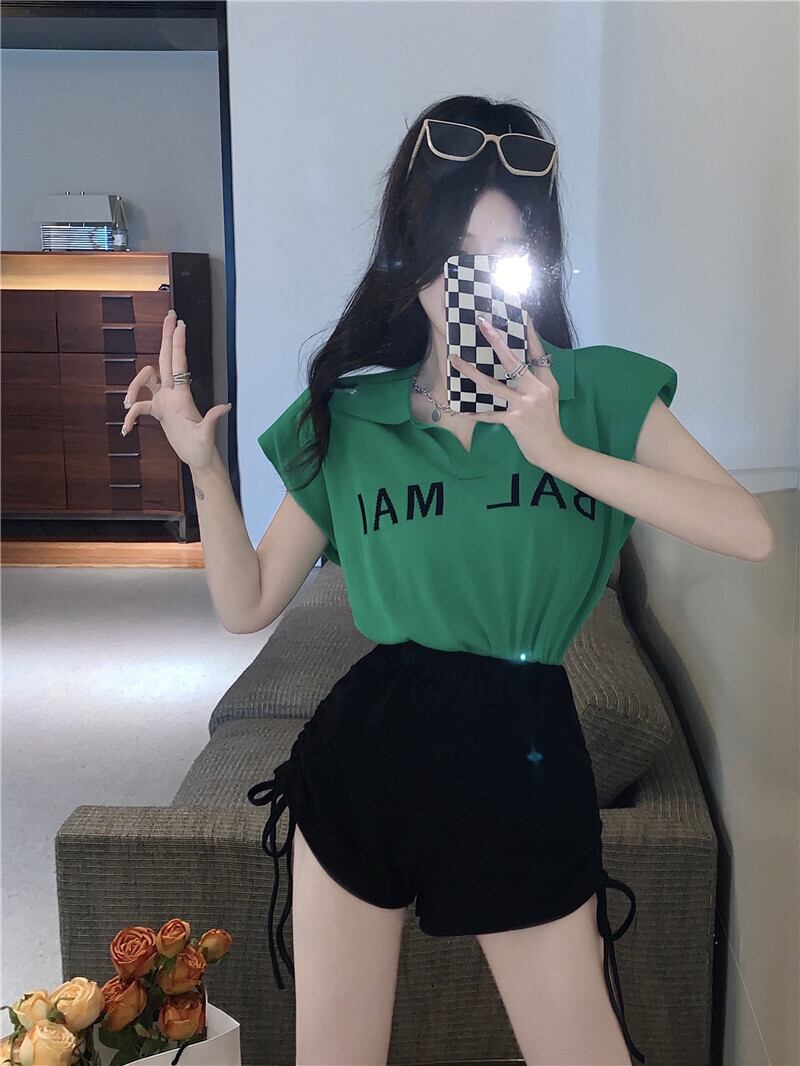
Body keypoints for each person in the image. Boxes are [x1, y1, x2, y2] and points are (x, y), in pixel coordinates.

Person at [121, 95, 774, 1066]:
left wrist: (559, 451)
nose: (472, 279)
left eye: (502, 255)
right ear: (412, 259)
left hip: (523, 760)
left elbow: (747, 530)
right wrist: (203, 468)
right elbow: (244, 601)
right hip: (364, 761)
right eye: (453, 252)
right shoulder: (354, 417)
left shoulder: (596, 391)